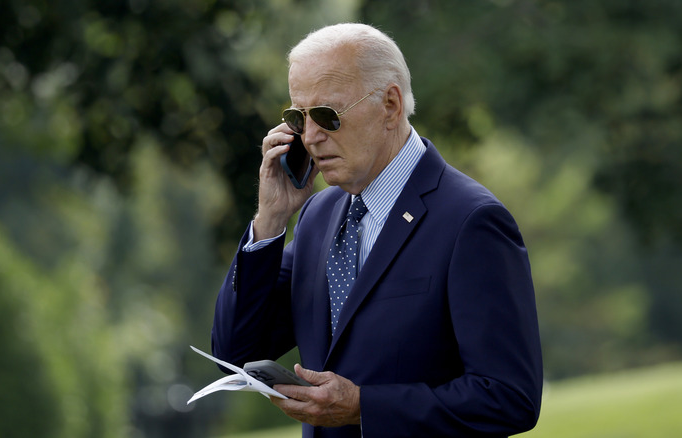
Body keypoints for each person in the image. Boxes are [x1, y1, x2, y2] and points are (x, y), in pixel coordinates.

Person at [211, 23, 542, 438]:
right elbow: (235, 354)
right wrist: (270, 221)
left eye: (328, 116)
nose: (310, 137)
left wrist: (362, 407)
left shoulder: (472, 222)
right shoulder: (316, 215)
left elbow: (509, 398)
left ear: (389, 104)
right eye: (298, 117)